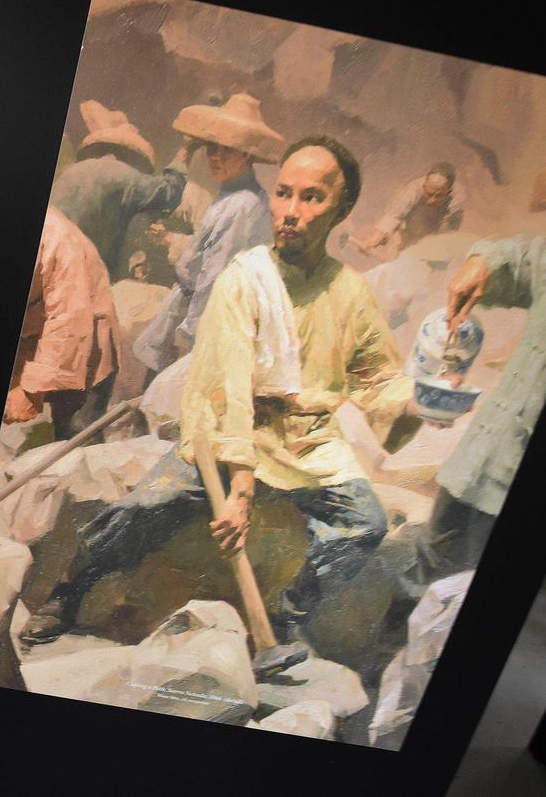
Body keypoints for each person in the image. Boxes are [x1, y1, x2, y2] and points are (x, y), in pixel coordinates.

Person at [23, 136, 432, 645]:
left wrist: (422, 400)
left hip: (302, 444)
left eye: (311, 198)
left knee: (364, 524)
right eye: (283, 193)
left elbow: (378, 375)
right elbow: (231, 385)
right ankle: (70, 591)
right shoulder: (246, 278)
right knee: (144, 508)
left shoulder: (348, 291)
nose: (290, 211)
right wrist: (239, 487)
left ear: (341, 209)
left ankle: (285, 617)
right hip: (225, 433)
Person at [407, 234, 546, 583]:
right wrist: (483, 262)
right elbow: (520, 258)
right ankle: (401, 634)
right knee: (428, 561)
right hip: (481, 457)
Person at [133, 93, 284, 373]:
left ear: (246, 154)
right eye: (212, 147)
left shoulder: (242, 205)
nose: (214, 156)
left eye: (226, 149)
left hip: (210, 322)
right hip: (197, 309)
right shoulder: (233, 196)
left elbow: (214, 275)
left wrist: (189, 334)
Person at [2, 205, 122, 440]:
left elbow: (69, 320)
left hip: (85, 348)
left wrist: (30, 391)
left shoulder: (58, 238)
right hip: (34, 338)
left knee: (76, 434)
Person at [48, 100, 186, 281]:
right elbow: (168, 193)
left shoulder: (72, 171)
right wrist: (182, 158)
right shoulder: (124, 175)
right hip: (74, 267)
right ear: (128, 154)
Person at [364, 162, 465, 254]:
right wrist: (375, 239)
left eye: (438, 196)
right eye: (429, 194)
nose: (431, 200)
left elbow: (448, 232)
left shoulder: (457, 200)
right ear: (424, 186)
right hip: (406, 234)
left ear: (449, 192)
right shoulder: (412, 190)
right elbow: (393, 216)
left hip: (433, 240)